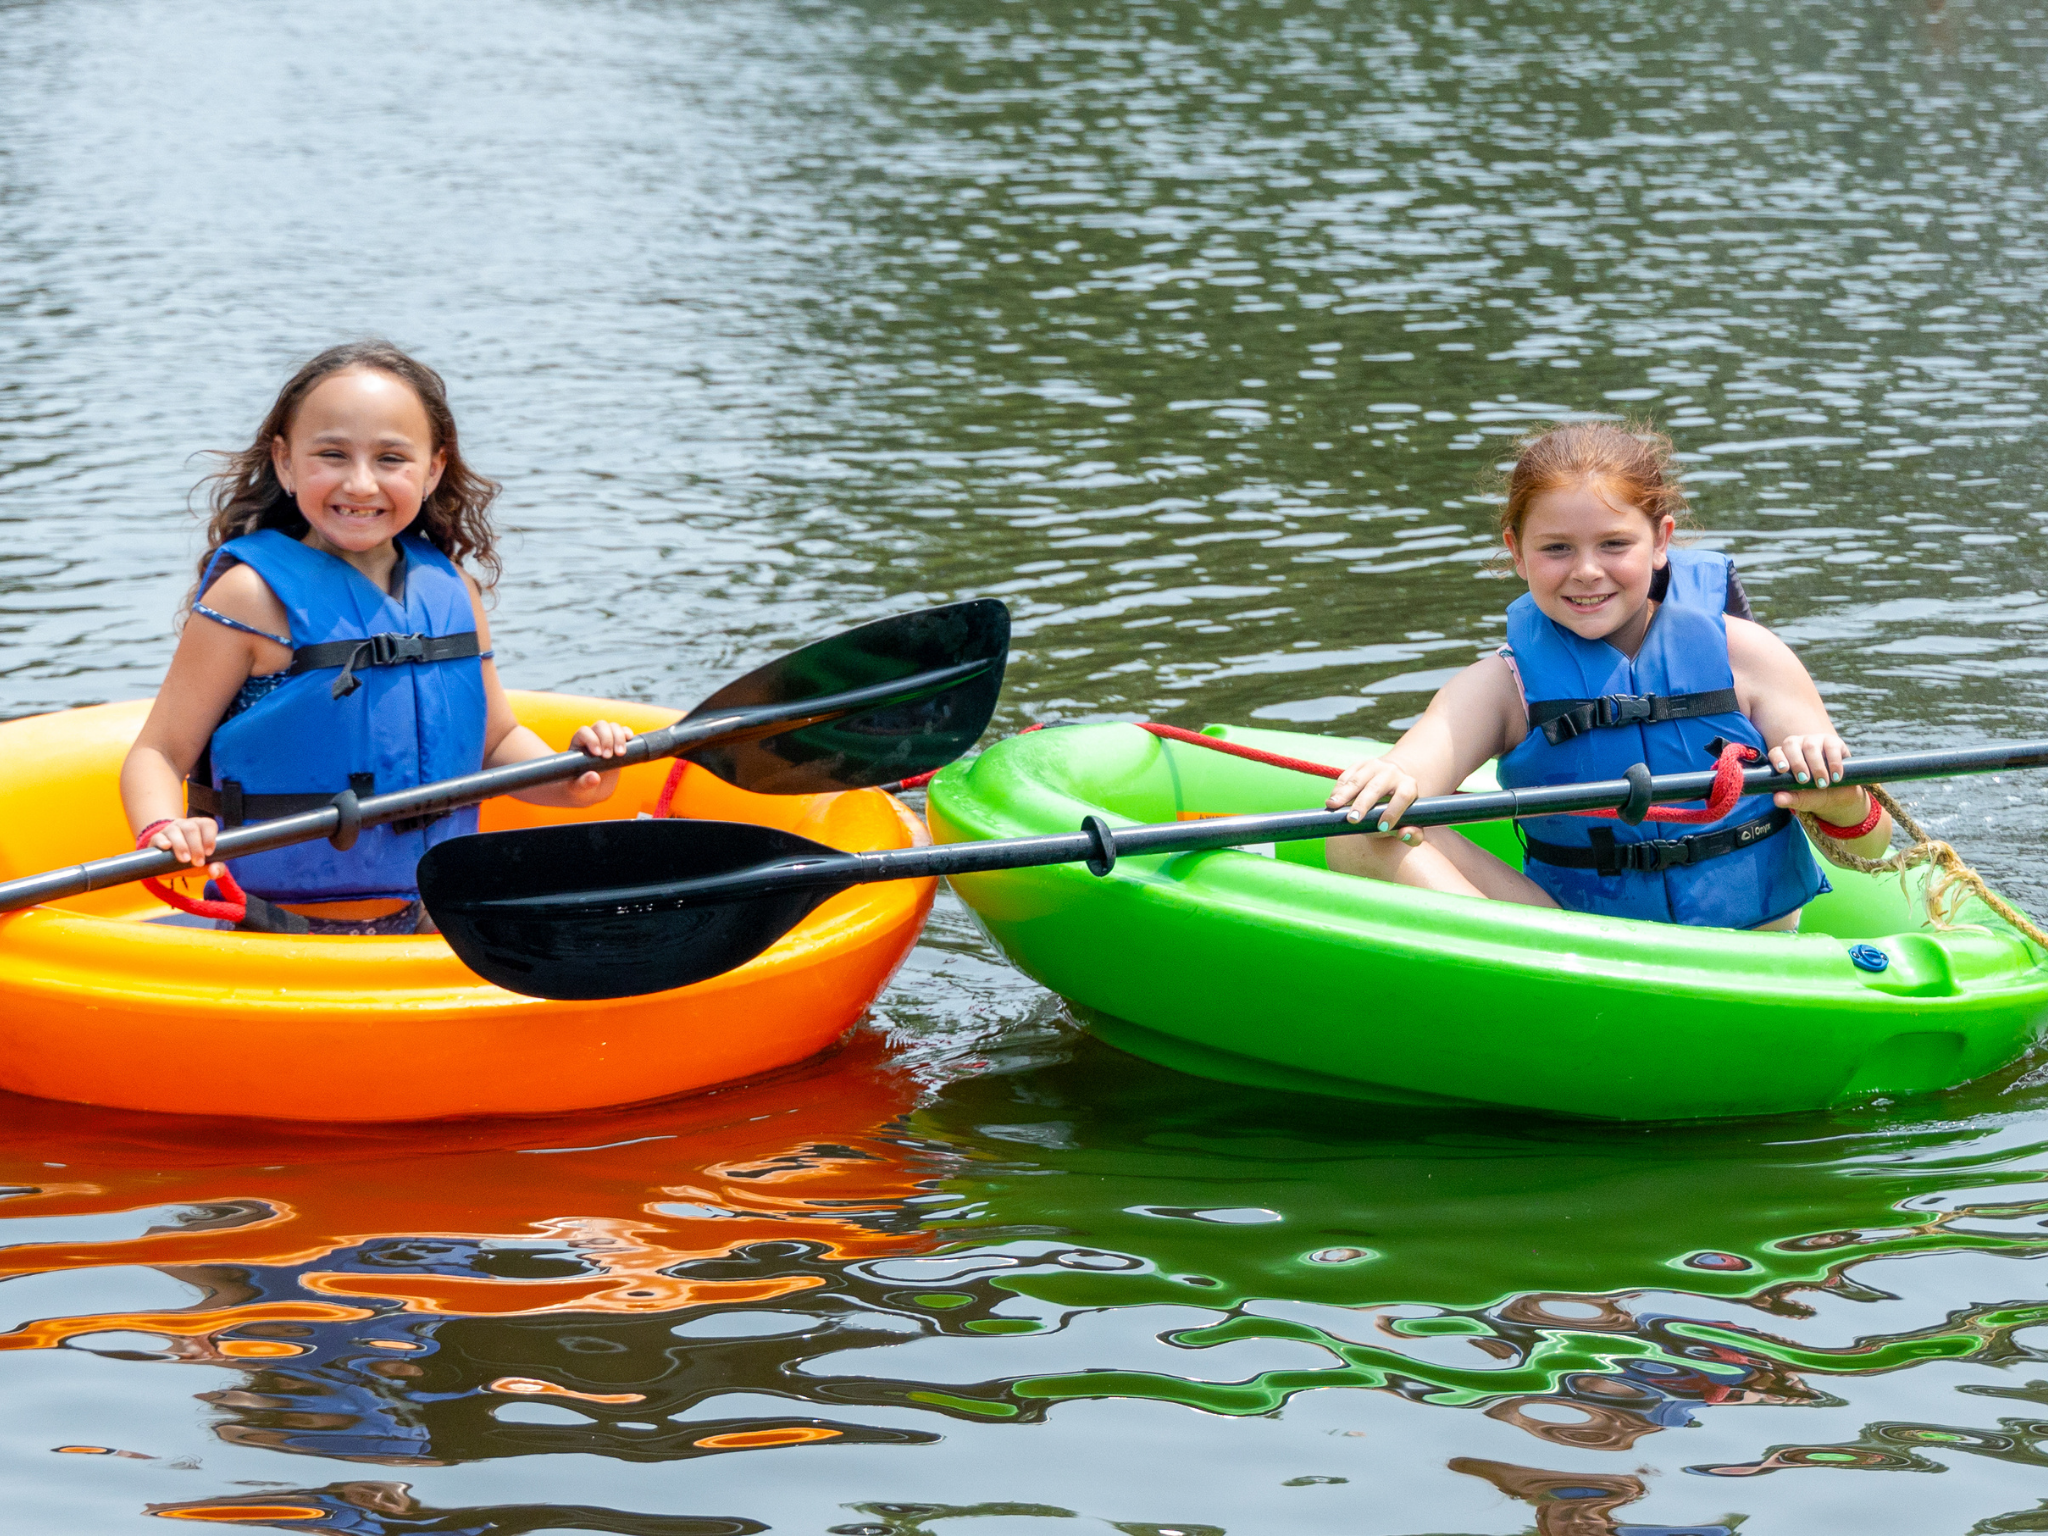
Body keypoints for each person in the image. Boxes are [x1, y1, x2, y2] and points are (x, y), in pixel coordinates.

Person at [121, 341, 634, 935]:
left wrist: (574, 776)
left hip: (432, 918)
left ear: (434, 467)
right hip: (277, 928)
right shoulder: (249, 598)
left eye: (391, 458)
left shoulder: (452, 589)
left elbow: (496, 742)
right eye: (332, 454)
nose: (360, 483)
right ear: (285, 463)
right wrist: (165, 828)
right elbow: (158, 752)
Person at [1323, 421, 1891, 932]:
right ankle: (1533, 978)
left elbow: (1873, 842)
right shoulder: (1502, 686)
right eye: (1556, 549)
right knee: (1361, 833)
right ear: (1516, 553)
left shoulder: (1750, 656)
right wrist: (1393, 774)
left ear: (1661, 541)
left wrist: (1839, 800)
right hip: (1572, 944)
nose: (1587, 572)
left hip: (1750, 948)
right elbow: (1414, 767)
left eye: (1615, 544)